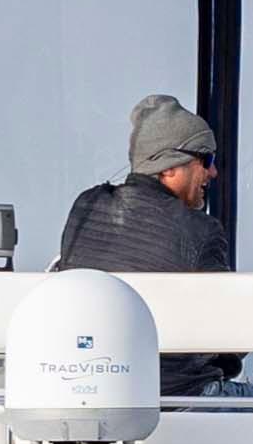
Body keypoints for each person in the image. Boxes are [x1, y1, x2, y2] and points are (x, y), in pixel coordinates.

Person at [54, 93, 237, 392]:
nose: (213, 172)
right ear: (168, 167)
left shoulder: (86, 207)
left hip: (98, 392)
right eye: (206, 159)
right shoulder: (201, 231)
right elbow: (232, 336)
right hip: (182, 398)